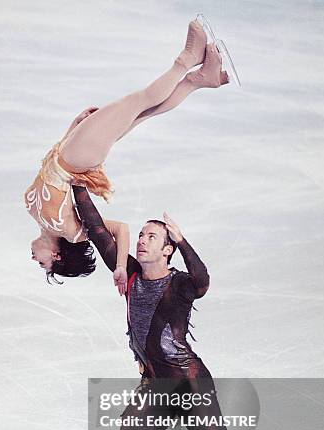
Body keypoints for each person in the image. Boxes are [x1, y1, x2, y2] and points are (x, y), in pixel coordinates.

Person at [71, 184, 306, 430]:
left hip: (188, 382)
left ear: (167, 250)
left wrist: (184, 239)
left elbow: (203, 280)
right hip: (154, 385)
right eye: (142, 235)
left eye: (153, 237)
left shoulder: (180, 283)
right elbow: (97, 228)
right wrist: (77, 182)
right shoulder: (129, 274)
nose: (143, 241)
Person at [24, 17, 229, 289]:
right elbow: (120, 229)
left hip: (67, 151)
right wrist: (120, 267)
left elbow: (44, 171)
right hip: (77, 158)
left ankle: (200, 79)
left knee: (144, 111)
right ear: (56, 256)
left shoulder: (40, 219)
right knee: (139, 101)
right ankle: (187, 59)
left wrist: (70, 129)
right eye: (42, 263)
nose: (34, 258)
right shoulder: (72, 232)